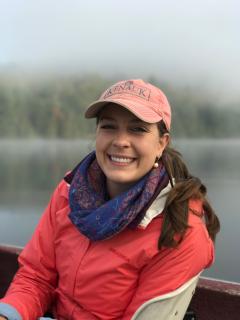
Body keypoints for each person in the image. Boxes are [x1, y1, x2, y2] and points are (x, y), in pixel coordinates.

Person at [0, 79, 220, 320]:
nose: (120, 141)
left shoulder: (181, 230)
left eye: (137, 129)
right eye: (108, 126)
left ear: (161, 143)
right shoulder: (70, 192)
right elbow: (36, 278)